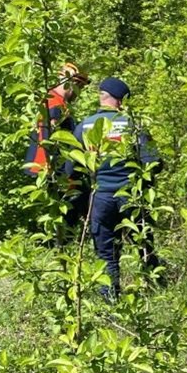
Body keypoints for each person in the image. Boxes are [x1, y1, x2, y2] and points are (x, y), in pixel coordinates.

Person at [74, 77, 161, 299]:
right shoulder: (133, 124)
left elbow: (71, 168)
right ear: (122, 101)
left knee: (106, 253)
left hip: (100, 198)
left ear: (102, 97)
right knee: (144, 245)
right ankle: (157, 291)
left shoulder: (84, 125)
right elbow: (153, 162)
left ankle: (110, 298)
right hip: (131, 196)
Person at [24, 62, 90, 226]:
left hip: (46, 170)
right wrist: (62, 174)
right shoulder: (55, 105)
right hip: (53, 171)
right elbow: (50, 140)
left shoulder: (49, 99)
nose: (79, 92)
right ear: (71, 83)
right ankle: (62, 247)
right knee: (67, 213)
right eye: (79, 87)